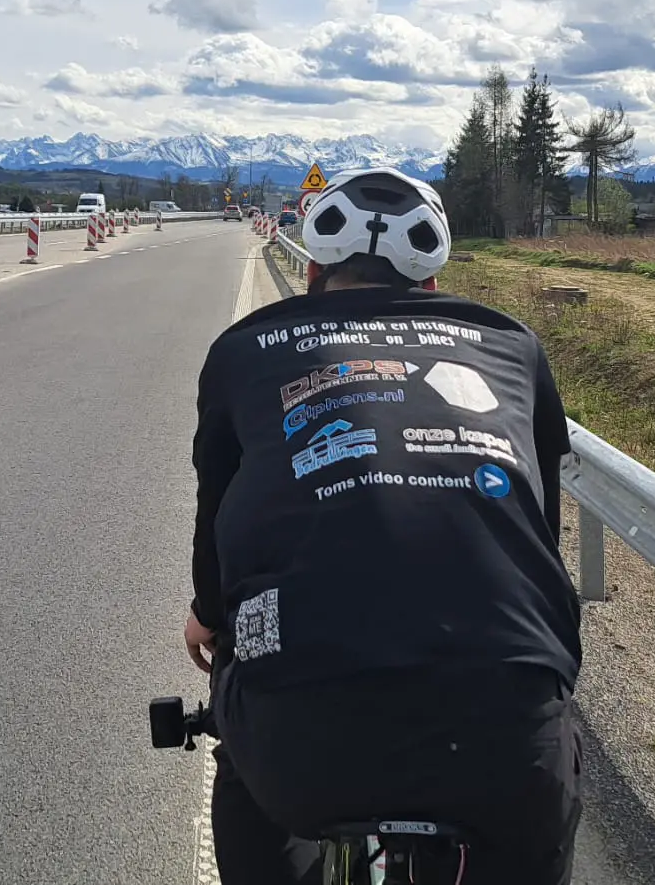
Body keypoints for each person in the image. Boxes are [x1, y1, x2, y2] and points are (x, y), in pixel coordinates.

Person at [185, 167, 585, 885]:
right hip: (505, 732)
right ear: (433, 284)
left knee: (244, 767)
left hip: (300, 742)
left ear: (310, 271)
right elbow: (539, 526)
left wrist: (210, 618)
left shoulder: (246, 348)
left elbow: (218, 515)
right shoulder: (511, 345)